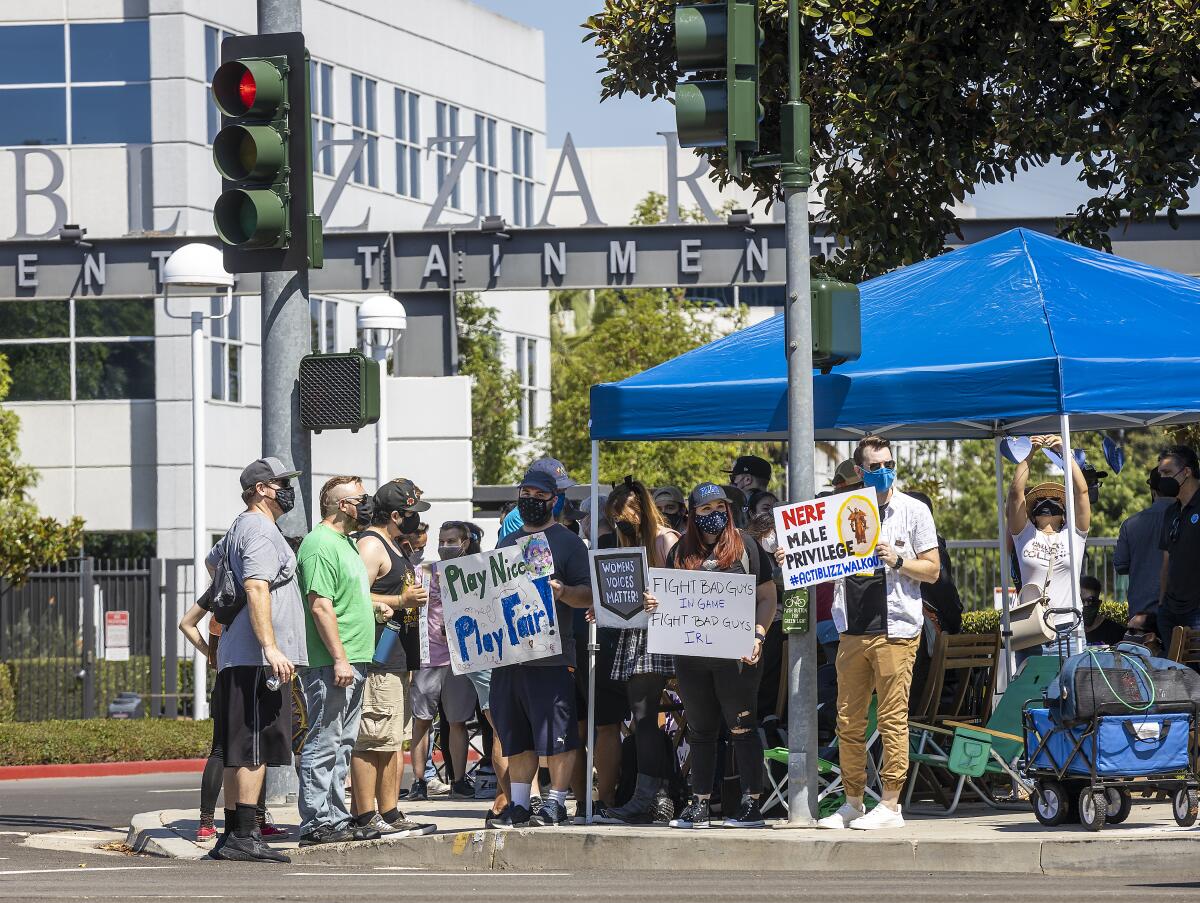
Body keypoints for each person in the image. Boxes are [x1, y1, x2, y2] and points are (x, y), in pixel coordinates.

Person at [818, 436, 940, 832]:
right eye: (874, 465)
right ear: (860, 470)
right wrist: (791, 556)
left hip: (897, 629)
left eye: (888, 462)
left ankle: (890, 804)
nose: (883, 470)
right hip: (852, 628)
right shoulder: (842, 511)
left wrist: (900, 560)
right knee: (848, 721)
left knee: (892, 720)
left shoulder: (914, 510)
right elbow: (813, 557)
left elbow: (934, 570)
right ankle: (853, 801)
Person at [200, 457, 309, 862]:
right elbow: (257, 587)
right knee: (255, 746)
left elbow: (214, 564)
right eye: (282, 482)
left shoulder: (238, 527)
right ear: (262, 488)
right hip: (256, 659)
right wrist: (271, 646)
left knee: (239, 747)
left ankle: (232, 836)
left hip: (239, 654)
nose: (288, 490)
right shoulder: (261, 530)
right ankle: (245, 836)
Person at [666, 483, 777, 830]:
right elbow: (668, 597)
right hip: (692, 656)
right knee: (700, 730)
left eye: (720, 507)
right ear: (692, 514)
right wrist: (655, 603)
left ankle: (750, 803)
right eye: (705, 509)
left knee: (742, 728)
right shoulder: (679, 553)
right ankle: (699, 803)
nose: (714, 514)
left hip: (737, 657)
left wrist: (759, 636)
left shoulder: (747, 547)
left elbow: (767, 597)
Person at [492, 464, 593, 827]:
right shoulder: (507, 542)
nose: (531, 501)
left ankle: (556, 802)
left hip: (551, 656)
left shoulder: (569, 543)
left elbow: (588, 594)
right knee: (516, 735)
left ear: (554, 500)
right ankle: (520, 803)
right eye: (526, 495)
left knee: (558, 733)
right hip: (508, 655)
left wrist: (563, 592)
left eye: (539, 496)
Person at [296, 475, 395, 846]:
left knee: (342, 744)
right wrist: (339, 658)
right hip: (332, 663)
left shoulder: (347, 543)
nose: (367, 504)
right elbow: (320, 605)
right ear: (342, 505)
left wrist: (377, 611)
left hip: (355, 659)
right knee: (324, 741)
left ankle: (337, 818)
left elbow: (344, 598)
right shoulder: (319, 544)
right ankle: (315, 822)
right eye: (361, 498)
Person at [349, 478, 436, 837]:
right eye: (412, 513)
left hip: (398, 657)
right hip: (377, 658)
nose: (416, 521)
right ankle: (366, 815)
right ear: (396, 514)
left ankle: (389, 811)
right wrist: (401, 602)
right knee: (371, 738)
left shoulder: (393, 544)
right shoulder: (371, 546)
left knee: (390, 740)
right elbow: (354, 598)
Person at [595, 478, 679, 825]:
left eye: (622, 515)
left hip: (659, 636)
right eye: (613, 518)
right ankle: (655, 796)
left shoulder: (664, 539)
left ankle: (653, 797)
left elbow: (682, 589)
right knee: (640, 717)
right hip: (638, 633)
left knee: (645, 717)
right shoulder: (637, 541)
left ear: (639, 508)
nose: (618, 523)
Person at [179, 592, 285, 844]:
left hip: (224, 678)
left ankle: (207, 823)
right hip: (249, 675)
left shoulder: (219, 592)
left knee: (223, 750)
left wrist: (210, 654)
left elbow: (186, 623)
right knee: (255, 749)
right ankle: (255, 820)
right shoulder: (253, 590)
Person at [407, 523, 481, 803]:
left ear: (464, 543)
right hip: (428, 659)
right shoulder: (423, 572)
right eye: (441, 540)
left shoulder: (475, 573)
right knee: (422, 721)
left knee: (457, 722)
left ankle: (459, 780)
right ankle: (418, 781)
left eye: (451, 540)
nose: (445, 545)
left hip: (460, 660)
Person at [1006, 434, 1092, 651]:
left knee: (1067, 684)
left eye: (1055, 501)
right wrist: (1029, 455)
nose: (1047, 503)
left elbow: (1081, 492)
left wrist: (1065, 453)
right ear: (1032, 515)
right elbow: (1016, 494)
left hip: (1068, 627)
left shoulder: (1074, 535)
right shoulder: (1024, 534)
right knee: (1030, 685)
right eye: (1040, 501)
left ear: (1064, 513)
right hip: (1031, 626)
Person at [1116, 468, 1172, 640]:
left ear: (1153, 491)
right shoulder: (1187, 519)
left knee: (1142, 665)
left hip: (1140, 613)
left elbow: (1121, 565)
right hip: (1178, 612)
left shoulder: (1130, 524)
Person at [1156, 445, 1200, 651]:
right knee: (1174, 677)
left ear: (1187, 472)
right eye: (1160, 474)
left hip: (1196, 611)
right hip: (1170, 611)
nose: (1162, 480)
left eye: (1167, 473)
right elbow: (1167, 559)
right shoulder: (1170, 512)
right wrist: (1162, 604)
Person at [497, 457, 577, 541]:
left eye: (563, 490)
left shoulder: (555, 515)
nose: (559, 496)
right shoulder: (517, 517)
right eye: (556, 490)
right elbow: (538, 551)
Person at [1080, 575, 1125, 646]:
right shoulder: (1068, 631)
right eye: (1081, 601)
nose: (1085, 605)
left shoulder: (1115, 631)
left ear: (1098, 603)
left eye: (1091, 601)